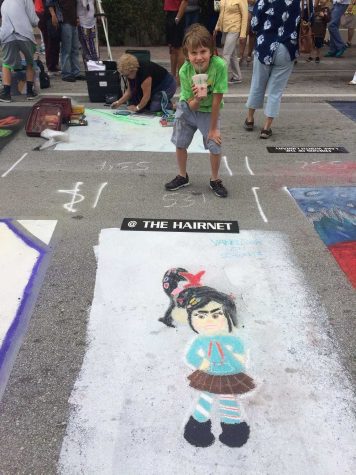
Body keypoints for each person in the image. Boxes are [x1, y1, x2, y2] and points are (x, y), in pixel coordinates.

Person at [160, 268, 255, 448]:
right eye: (200, 316)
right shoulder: (200, 341)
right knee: (205, 398)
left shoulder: (230, 340)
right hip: (209, 373)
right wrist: (203, 363)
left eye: (216, 314)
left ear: (227, 316)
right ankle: (198, 427)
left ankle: (233, 429)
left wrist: (235, 362)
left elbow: (240, 352)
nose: (209, 320)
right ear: (191, 318)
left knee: (229, 399)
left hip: (229, 374)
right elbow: (192, 355)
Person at [165, 24, 229, 198]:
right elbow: (190, 106)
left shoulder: (219, 66)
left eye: (203, 52)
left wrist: (214, 128)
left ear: (211, 51)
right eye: (194, 53)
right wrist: (198, 98)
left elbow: (217, 99)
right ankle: (182, 175)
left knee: (214, 143)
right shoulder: (185, 70)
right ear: (187, 54)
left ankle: (215, 179)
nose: (199, 57)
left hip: (209, 111)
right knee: (180, 142)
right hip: (189, 108)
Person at [244, 0, 301, 139]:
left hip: (265, 43)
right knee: (276, 90)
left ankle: (250, 119)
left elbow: (254, 23)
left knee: (257, 83)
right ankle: (266, 127)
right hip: (287, 46)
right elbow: (309, 19)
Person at [0, 0, 39, 102]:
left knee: (6, 63)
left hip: (6, 34)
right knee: (30, 61)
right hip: (24, 33)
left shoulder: (5, 2)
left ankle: (6, 94)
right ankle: (30, 92)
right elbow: (33, 20)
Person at [111, 53, 177, 112]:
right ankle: (162, 100)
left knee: (154, 107)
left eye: (127, 75)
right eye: (124, 75)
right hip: (155, 85)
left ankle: (173, 106)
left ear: (133, 70)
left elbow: (146, 96)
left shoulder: (144, 74)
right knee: (142, 104)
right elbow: (129, 91)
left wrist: (137, 108)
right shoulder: (131, 72)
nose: (126, 77)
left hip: (168, 85)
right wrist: (118, 102)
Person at [46, 0, 86, 82]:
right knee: (66, 49)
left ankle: (76, 72)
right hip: (64, 20)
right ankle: (66, 73)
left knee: (74, 49)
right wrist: (53, 15)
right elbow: (49, 2)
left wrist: (77, 17)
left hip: (73, 20)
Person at [214, 0, 248, 84]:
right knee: (232, 54)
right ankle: (237, 76)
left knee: (226, 54)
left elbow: (245, 16)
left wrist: (243, 34)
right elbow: (221, 13)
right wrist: (216, 27)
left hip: (234, 28)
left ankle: (220, 79)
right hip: (225, 28)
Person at [163, 0, 188, 80]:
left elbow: (185, 1)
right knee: (172, 48)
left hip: (176, 14)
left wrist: (177, 18)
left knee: (179, 47)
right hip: (169, 13)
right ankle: (172, 75)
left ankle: (180, 77)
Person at [239, 0, 256, 65]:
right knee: (244, 33)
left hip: (256, 10)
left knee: (252, 34)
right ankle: (241, 55)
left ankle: (249, 54)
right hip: (246, 9)